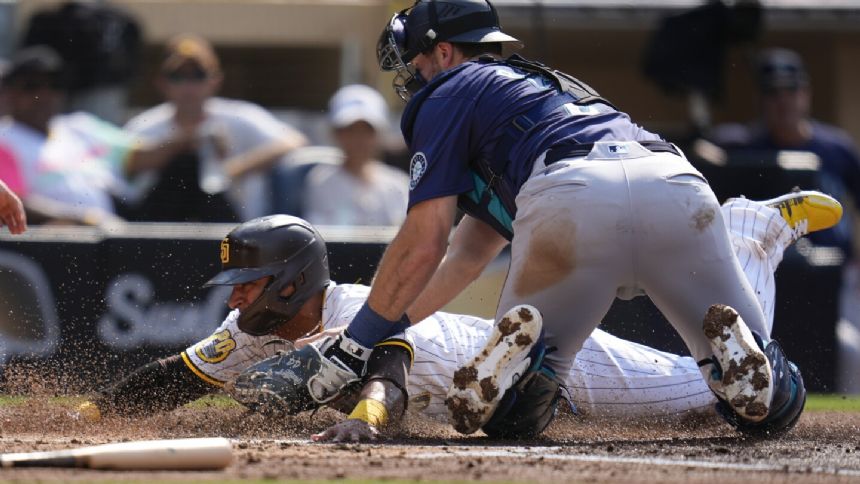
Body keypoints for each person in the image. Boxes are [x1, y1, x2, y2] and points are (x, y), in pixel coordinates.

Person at [318, 0, 825, 438]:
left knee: (514, 416)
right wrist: (395, 327)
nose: (416, 76)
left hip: (570, 199)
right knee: (767, 410)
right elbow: (468, 254)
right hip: (673, 183)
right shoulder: (541, 90)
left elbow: (426, 242)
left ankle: (530, 369)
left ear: (444, 52)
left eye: (418, 62)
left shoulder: (449, 91)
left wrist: (357, 342)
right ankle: (746, 318)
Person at [75, 191, 839, 442]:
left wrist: (367, 421)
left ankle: (750, 233)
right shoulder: (249, 333)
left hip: (547, 366)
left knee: (723, 395)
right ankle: (747, 242)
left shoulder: (355, 311)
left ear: (291, 284)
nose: (236, 297)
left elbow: (390, 373)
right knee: (724, 388)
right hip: (492, 392)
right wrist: (92, 410)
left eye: (251, 284)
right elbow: (173, 377)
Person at [706, 48, 860, 394]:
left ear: (806, 93)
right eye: (772, 92)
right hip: (770, 275)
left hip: (839, 278)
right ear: (760, 99)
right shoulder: (743, 148)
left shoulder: (836, 148)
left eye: (790, 90)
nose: (783, 101)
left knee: (852, 351)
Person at [0, 45, 194, 227]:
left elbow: (140, 156)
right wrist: (81, 219)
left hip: (118, 222)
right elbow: (11, 201)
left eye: (54, 85)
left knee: (186, 164)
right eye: (31, 86)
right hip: (61, 237)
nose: (44, 94)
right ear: (9, 93)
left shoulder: (79, 126)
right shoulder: (5, 139)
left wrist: (192, 138)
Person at [124, 34, 307, 222]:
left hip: (234, 230)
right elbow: (119, 170)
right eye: (177, 77)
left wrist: (230, 168)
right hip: (163, 229)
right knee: (185, 164)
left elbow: (294, 140)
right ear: (162, 83)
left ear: (215, 80)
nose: (188, 86)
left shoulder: (240, 115)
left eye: (198, 76)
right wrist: (180, 146)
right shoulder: (143, 126)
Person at [298, 84, 409, 226]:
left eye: (367, 130)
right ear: (335, 133)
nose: (359, 139)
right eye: (350, 130)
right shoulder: (319, 182)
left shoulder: (399, 184)